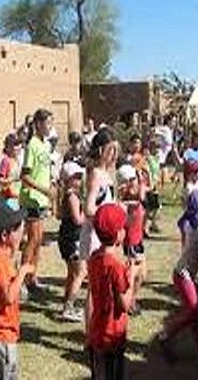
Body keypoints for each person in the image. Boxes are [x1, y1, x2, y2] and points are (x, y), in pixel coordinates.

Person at [157, 188, 198, 364]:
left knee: (195, 311)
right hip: (184, 275)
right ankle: (166, 335)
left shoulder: (188, 221)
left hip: (185, 273)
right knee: (193, 310)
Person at [87, 203, 139, 380]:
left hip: (96, 330)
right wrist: (131, 277)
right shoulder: (116, 267)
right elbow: (124, 305)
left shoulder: (94, 258)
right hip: (113, 334)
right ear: (118, 234)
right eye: (123, 228)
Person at [0, 202, 34, 380]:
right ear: (5, 235)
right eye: (18, 229)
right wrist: (22, 273)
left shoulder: (3, 257)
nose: (23, 232)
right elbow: (8, 297)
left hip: (4, 336)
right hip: (1, 337)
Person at [80, 126, 118, 334]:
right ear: (102, 149)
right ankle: (90, 331)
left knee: (103, 285)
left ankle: (98, 327)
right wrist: (106, 216)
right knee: (94, 287)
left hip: (105, 233)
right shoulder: (95, 173)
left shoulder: (106, 173)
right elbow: (88, 208)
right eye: (111, 150)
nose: (113, 155)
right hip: (95, 234)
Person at [19, 109, 54, 295]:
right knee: (32, 240)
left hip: (42, 200)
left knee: (39, 240)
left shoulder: (45, 145)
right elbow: (24, 176)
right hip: (31, 198)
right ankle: (23, 279)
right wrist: (43, 189)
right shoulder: (31, 145)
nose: (50, 127)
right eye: (47, 123)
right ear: (38, 124)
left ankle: (33, 277)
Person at [57, 161, 86, 322]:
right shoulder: (72, 196)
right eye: (77, 177)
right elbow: (77, 219)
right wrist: (89, 215)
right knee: (80, 272)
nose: (80, 180)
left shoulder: (66, 194)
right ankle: (69, 306)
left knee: (72, 273)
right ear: (69, 179)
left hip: (66, 236)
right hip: (73, 238)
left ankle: (67, 302)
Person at [117, 164, 146, 316]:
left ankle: (132, 299)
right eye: (133, 178)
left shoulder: (133, 193)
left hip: (138, 239)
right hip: (131, 241)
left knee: (141, 274)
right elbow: (140, 197)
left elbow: (145, 196)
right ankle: (128, 302)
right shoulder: (127, 197)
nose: (136, 181)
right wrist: (140, 182)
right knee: (132, 274)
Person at [0, 133, 22, 206]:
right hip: (8, 199)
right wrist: (13, 179)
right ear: (8, 147)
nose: (19, 147)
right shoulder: (6, 160)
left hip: (17, 197)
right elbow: (0, 180)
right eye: (16, 145)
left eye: (19, 145)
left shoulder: (17, 160)